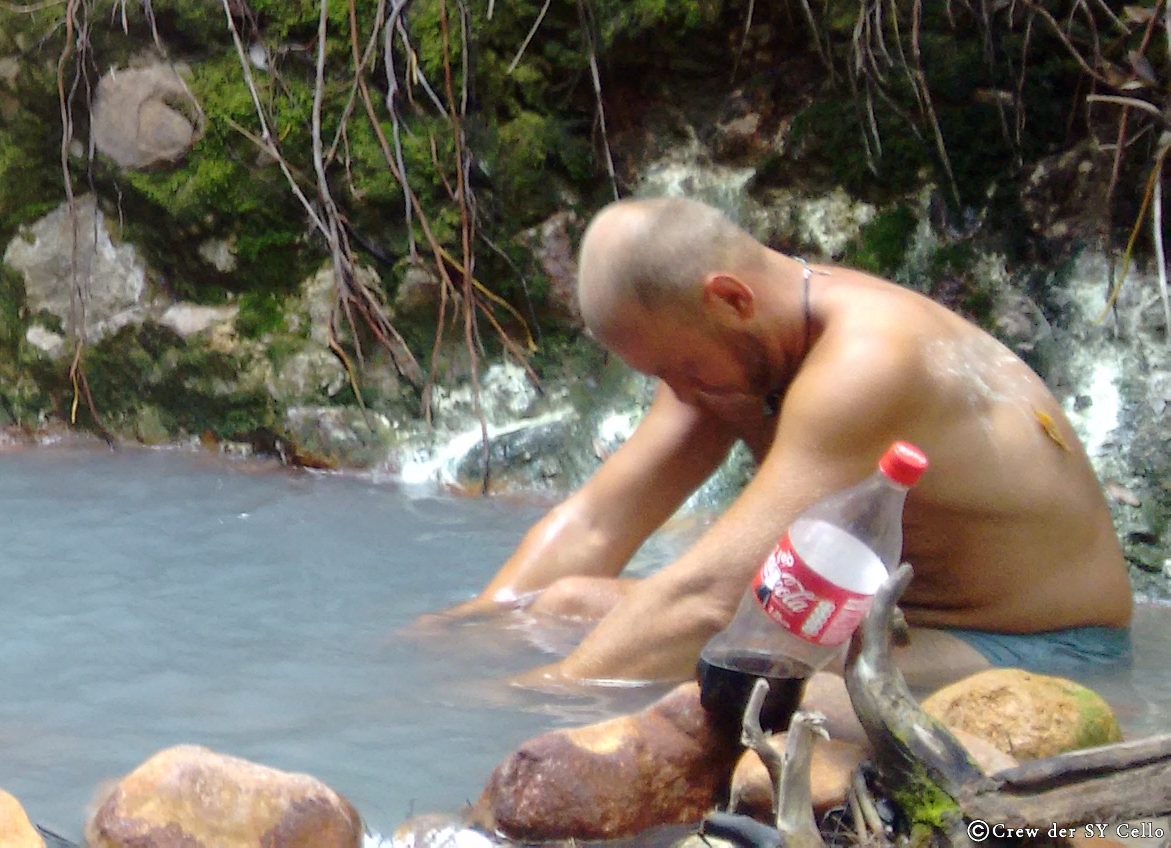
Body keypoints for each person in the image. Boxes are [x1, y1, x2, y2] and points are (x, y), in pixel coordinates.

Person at [449, 197, 1134, 684]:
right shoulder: (726, 351)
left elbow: (713, 599)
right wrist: (453, 636)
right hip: (872, 626)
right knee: (566, 604)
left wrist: (537, 703)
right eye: (658, 376)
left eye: (680, 369)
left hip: (1037, 646)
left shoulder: (869, 360)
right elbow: (595, 524)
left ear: (732, 299)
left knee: (784, 701)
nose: (680, 394)